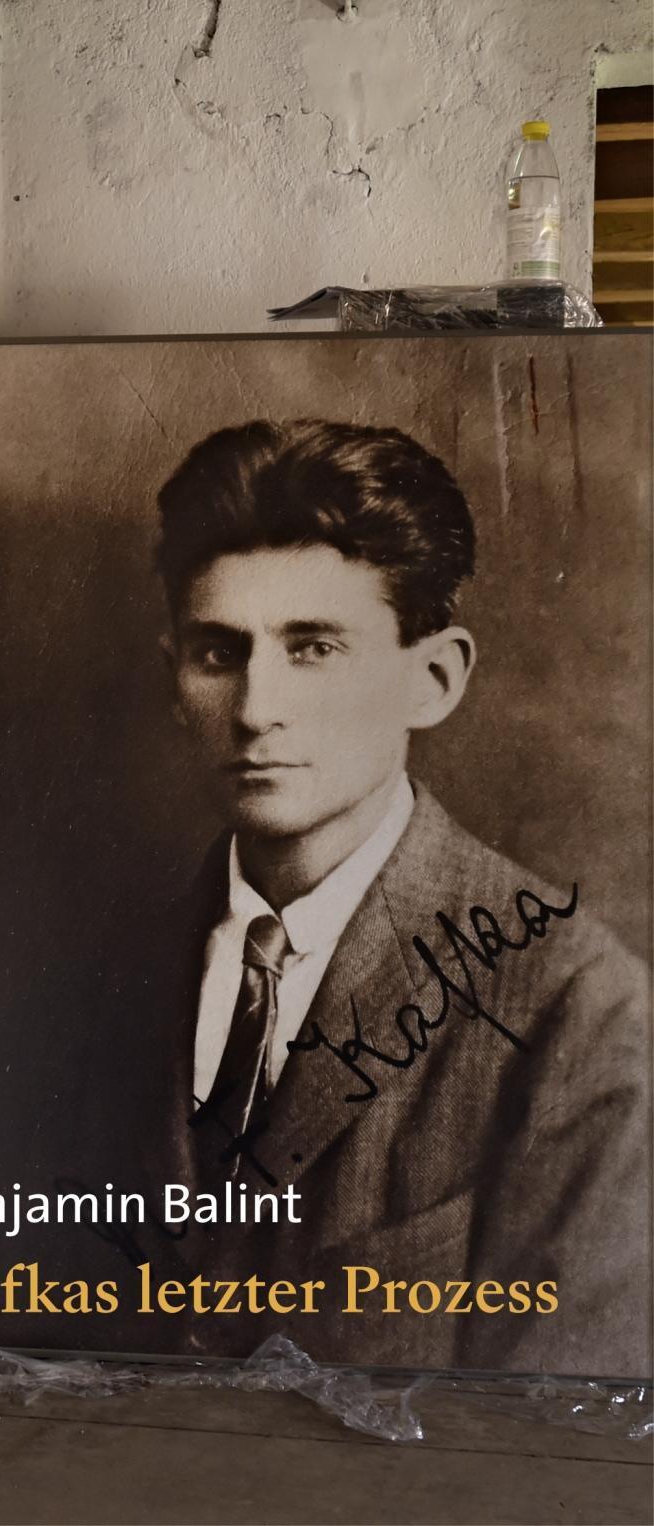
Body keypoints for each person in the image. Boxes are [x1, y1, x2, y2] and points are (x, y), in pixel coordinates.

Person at [109, 416, 649, 1375]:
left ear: (431, 680)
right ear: (174, 679)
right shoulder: (107, 970)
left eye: (314, 649)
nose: (257, 709)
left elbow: (561, 1430)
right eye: (219, 654)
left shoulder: (577, 1006)